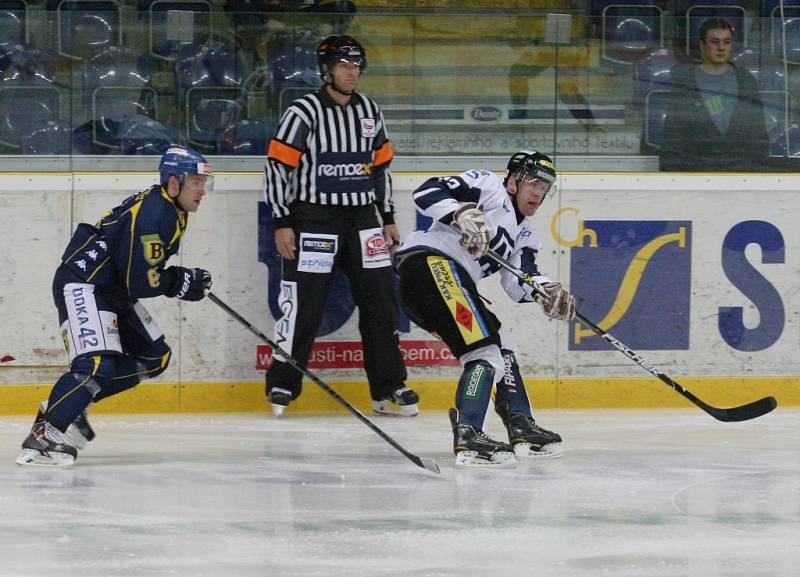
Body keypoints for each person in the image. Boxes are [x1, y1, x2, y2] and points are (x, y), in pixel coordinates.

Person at [15, 147, 214, 467]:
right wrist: (178, 281)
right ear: (174, 183)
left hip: (112, 288)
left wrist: (179, 280)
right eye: (196, 182)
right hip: (85, 283)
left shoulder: (173, 209)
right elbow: (141, 282)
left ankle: (71, 404)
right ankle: (47, 430)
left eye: (205, 182)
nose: (202, 190)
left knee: (154, 357)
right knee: (96, 364)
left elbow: (139, 272)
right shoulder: (155, 213)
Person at [263, 34, 417, 418]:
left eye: (356, 65)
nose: (352, 72)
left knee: (381, 301)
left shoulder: (369, 111)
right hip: (315, 218)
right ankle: (283, 381)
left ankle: (389, 388)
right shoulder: (304, 112)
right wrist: (282, 221)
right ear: (326, 70)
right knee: (304, 304)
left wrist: (388, 217)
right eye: (344, 65)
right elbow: (277, 167)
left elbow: (381, 168)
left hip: (364, 220)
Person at [395, 150, 572, 468]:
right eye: (533, 183)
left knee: (501, 341)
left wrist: (546, 292)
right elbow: (426, 191)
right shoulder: (488, 186)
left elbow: (519, 283)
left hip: (440, 282)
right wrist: (460, 214)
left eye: (545, 188)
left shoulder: (526, 235)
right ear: (513, 181)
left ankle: (521, 426)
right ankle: (470, 435)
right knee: (484, 352)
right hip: (431, 265)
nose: (538, 193)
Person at [659, 18, 769, 171]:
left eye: (727, 42)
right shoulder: (686, 83)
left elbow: (758, 134)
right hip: (697, 172)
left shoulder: (745, 80)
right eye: (715, 41)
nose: (721, 47)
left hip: (741, 172)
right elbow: (673, 138)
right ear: (702, 45)